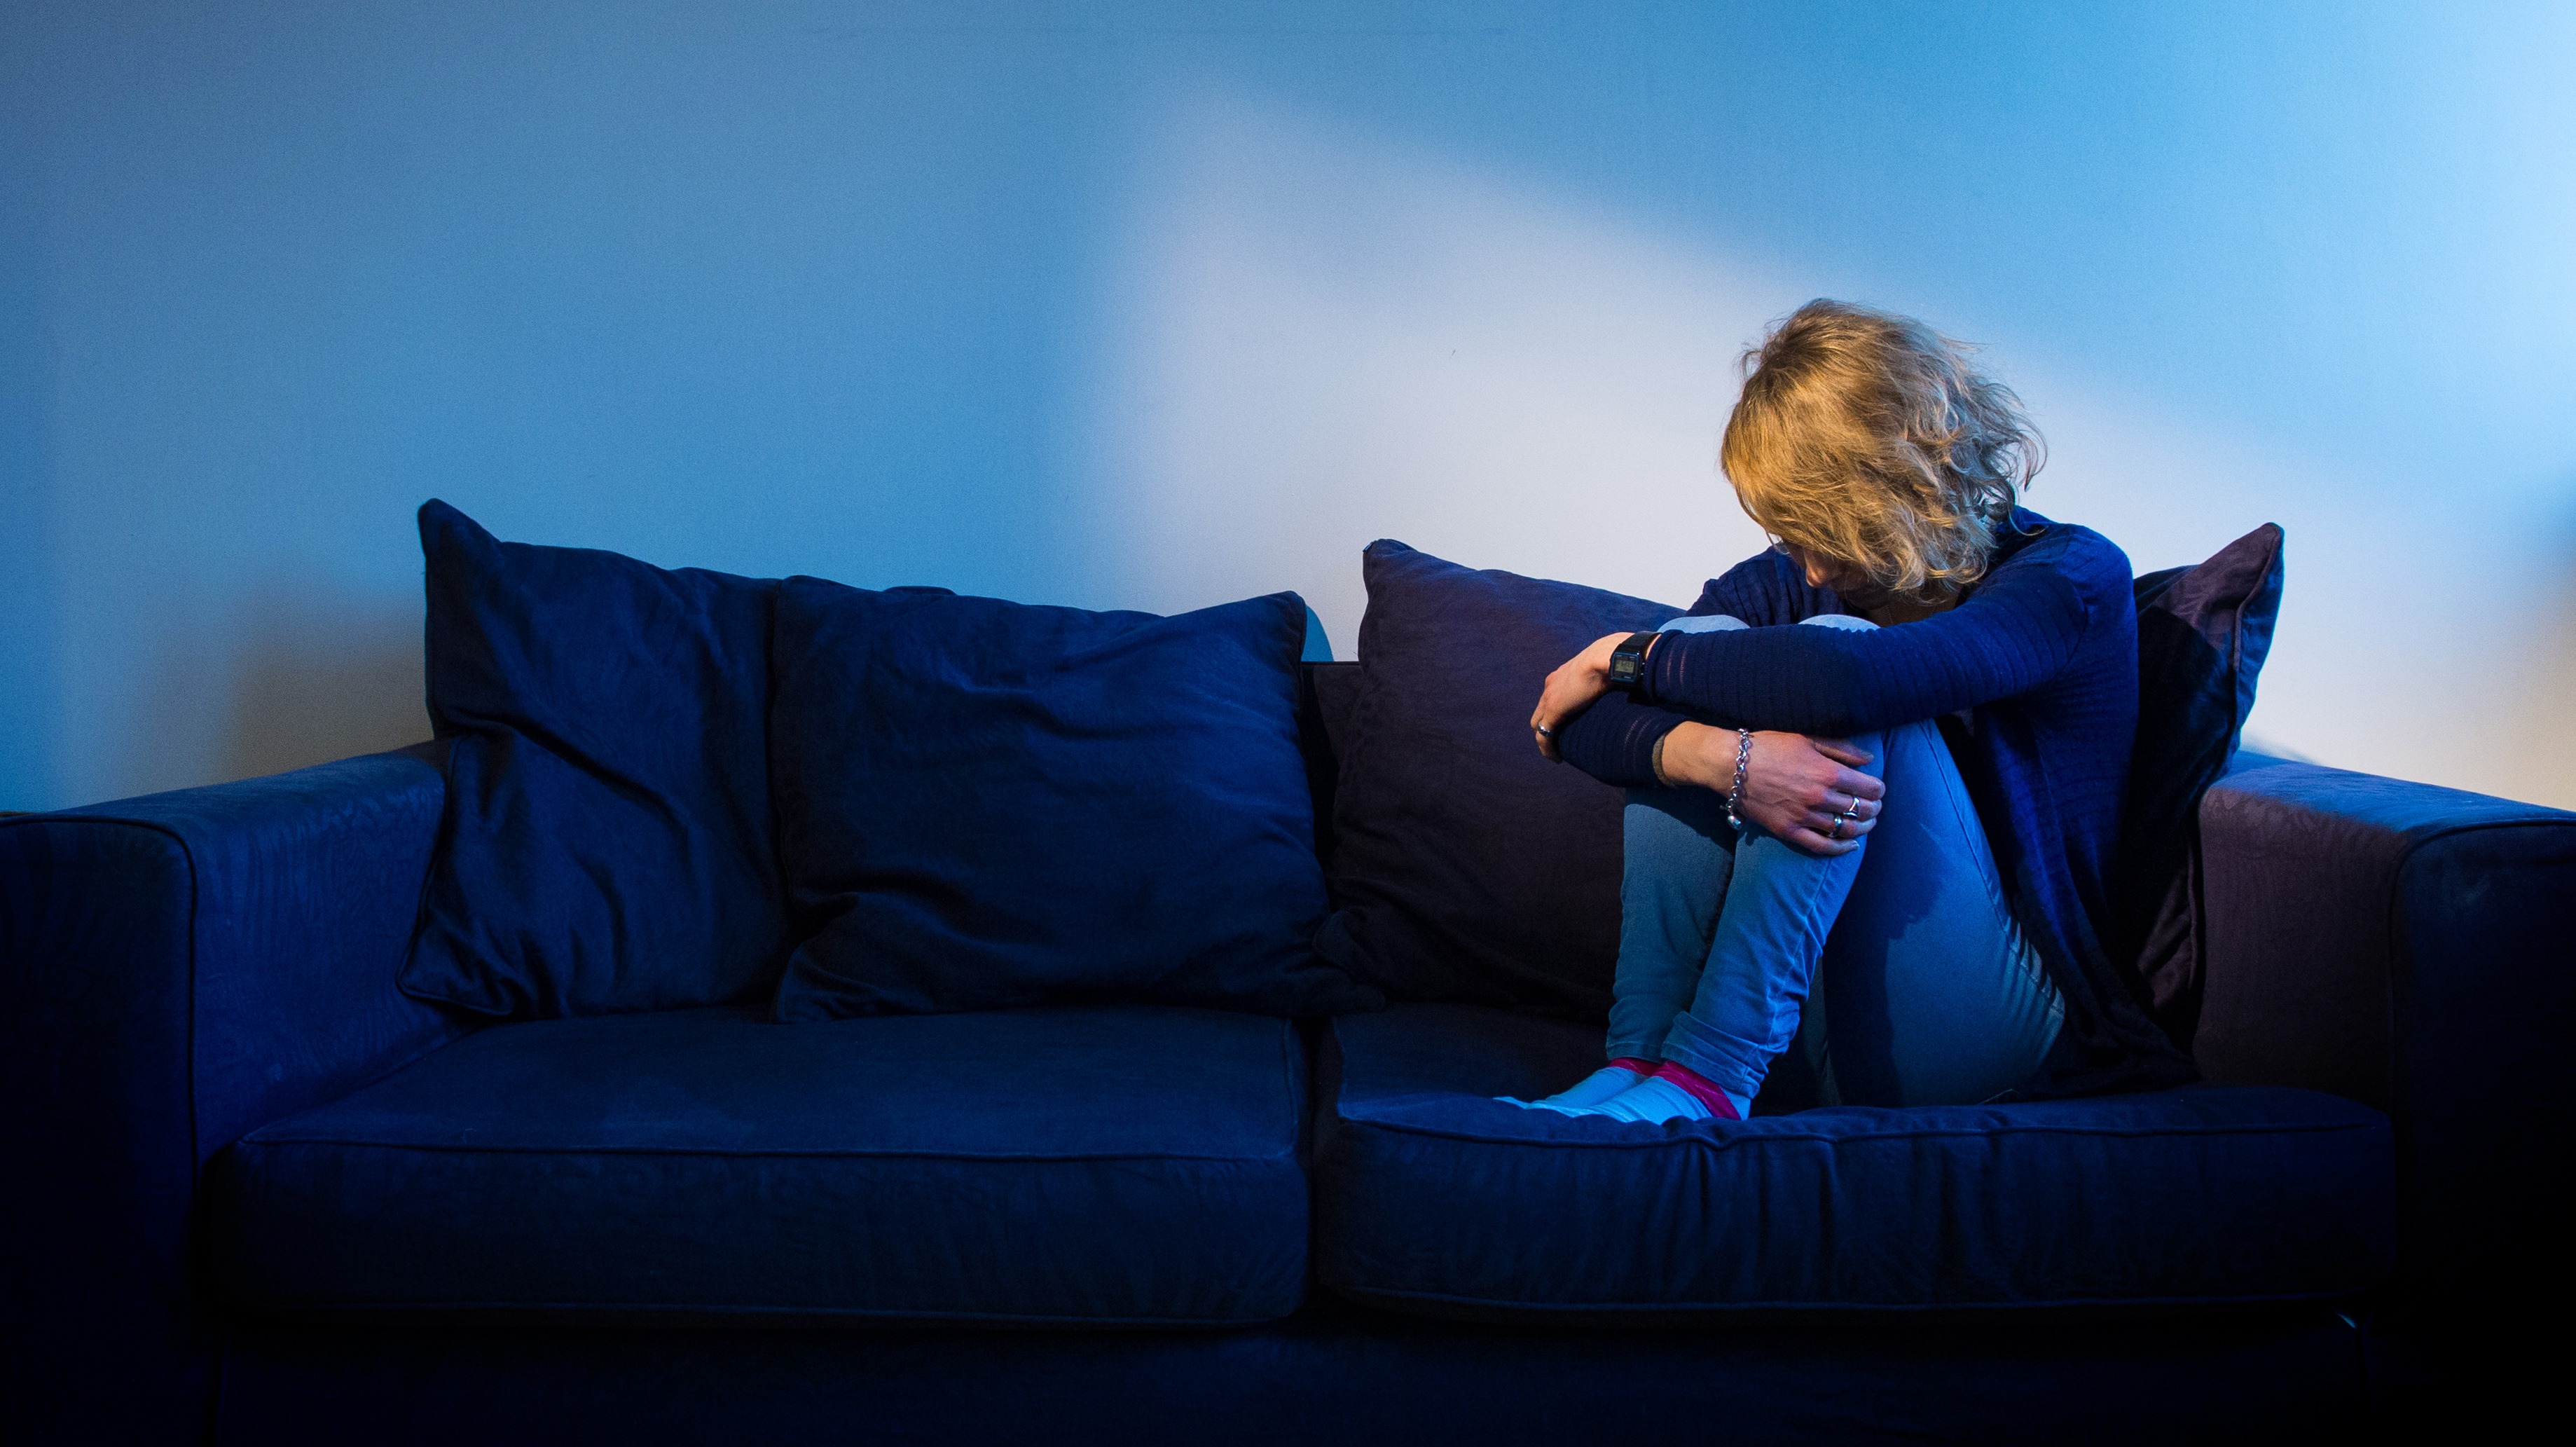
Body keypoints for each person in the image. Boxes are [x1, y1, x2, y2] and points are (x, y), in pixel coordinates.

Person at [1513, 299, 2183, 1125]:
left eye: (1829, 530)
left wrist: (1627, 654)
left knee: (1825, 647)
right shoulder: (1802, 575)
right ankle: (1641, 1061)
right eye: (1793, 537)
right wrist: (1722, 761)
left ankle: (1709, 1078)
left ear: (1909, 484)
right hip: (1823, 1018)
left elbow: (1850, 683)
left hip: (2003, 1025)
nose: (1812, 568)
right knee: (1704, 642)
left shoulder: (2070, 578)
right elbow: (1580, 723)